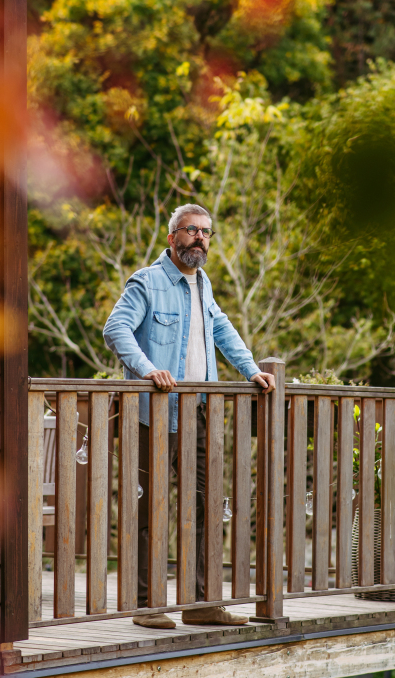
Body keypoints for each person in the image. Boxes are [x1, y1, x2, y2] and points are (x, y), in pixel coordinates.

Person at [103, 203, 276, 629]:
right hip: (151, 415)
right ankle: (147, 606)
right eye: (190, 230)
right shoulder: (146, 282)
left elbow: (221, 329)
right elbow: (116, 328)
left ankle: (200, 603)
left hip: (197, 414)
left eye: (205, 232)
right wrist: (148, 369)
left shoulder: (203, 285)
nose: (198, 237)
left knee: (202, 506)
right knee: (150, 511)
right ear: (171, 237)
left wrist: (252, 369)